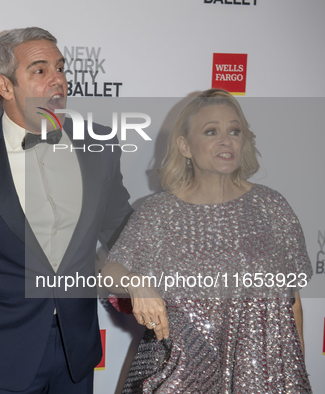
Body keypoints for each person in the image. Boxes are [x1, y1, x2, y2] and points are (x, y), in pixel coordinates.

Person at [0, 27, 132, 394]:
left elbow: (122, 228)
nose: (58, 81)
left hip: (77, 348)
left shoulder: (98, 144)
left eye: (60, 68)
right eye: (39, 71)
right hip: (3, 350)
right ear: (5, 87)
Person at [102, 89, 312, 393]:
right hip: (183, 378)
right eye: (211, 131)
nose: (226, 140)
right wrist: (136, 282)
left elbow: (292, 305)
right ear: (185, 146)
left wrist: (296, 376)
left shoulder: (273, 208)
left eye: (235, 131)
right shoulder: (160, 212)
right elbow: (111, 271)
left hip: (264, 381)